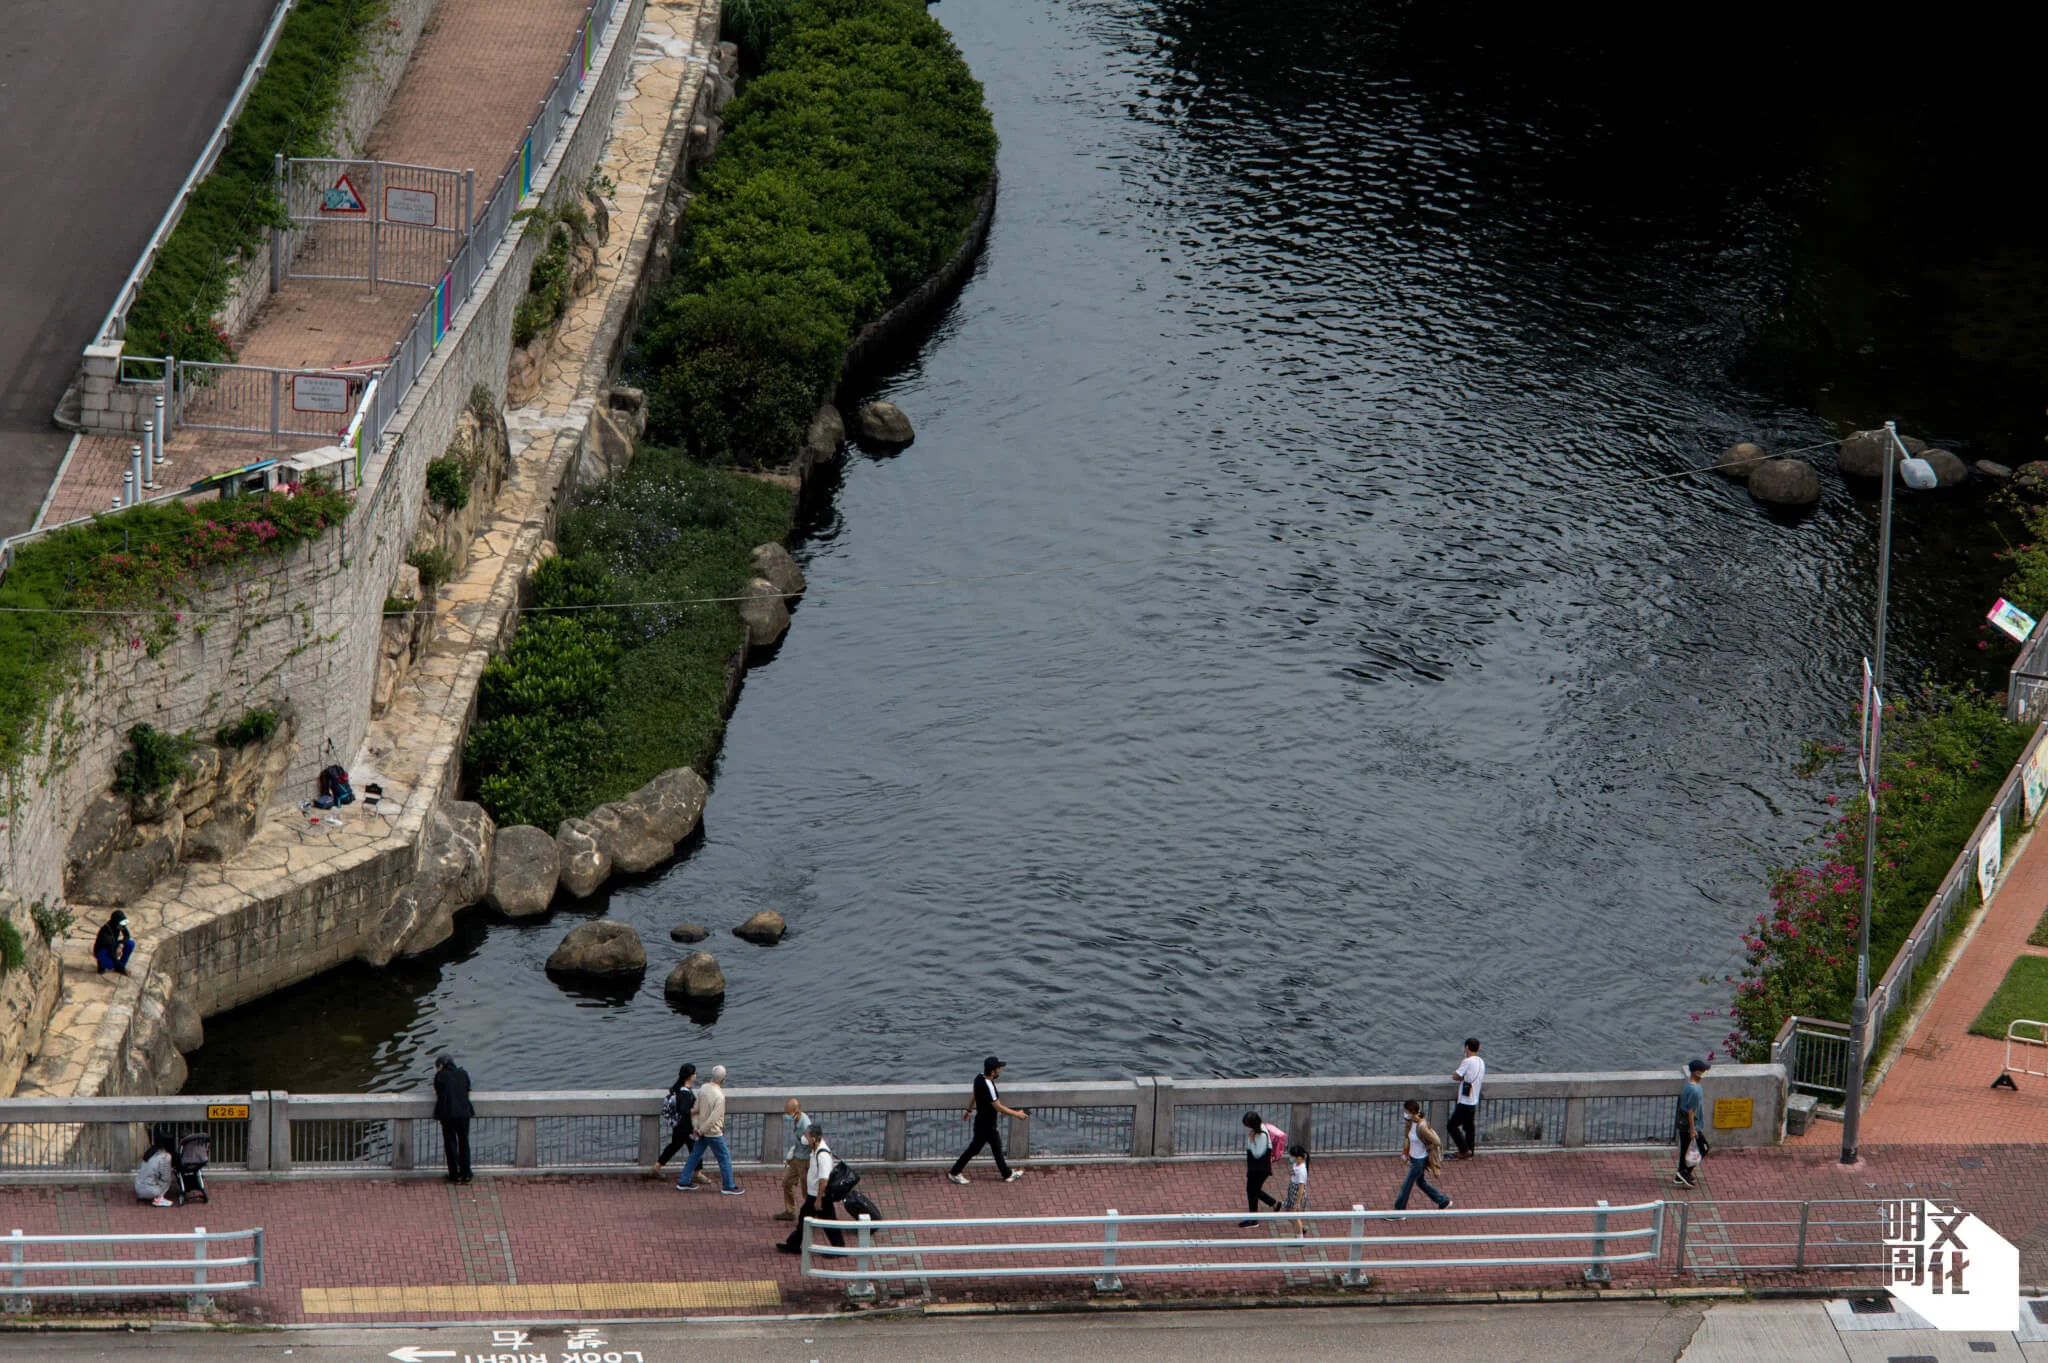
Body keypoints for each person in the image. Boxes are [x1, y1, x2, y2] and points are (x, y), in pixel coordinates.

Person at [948, 1055, 1028, 1184]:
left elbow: (974, 1094)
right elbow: (998, 1107)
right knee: (977, 1148)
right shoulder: (989, 1086)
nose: (1000, 1070)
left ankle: (1007, 1174)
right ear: (992, 1072)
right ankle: (954, 1172)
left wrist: (969, 1110)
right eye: (998, 1069)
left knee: (994, 1147)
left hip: (982, 1121)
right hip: (986, 1124)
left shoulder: (978, 1078)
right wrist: (1017, 1114)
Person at [777, 1123, 846, 1254]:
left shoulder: (822, 1155)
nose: (804, 1138)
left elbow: (824, 1180)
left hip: (819, 1196)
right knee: (805, 1219)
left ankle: (839, 1248)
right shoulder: (815, 1150)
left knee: (829, 1222)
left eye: (806, 1136)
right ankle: (793, 1244)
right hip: (813, 1194)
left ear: (813, 1139)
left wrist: (819, 1200)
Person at [676, 1064, 743, 1195]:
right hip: (713, 1133)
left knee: (695, 1155)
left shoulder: (704, 1088)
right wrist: (701, 1130)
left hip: (701, 1129)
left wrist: (697, 1128)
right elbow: (713, 1119)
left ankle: (684, 1181)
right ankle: (728, 1185)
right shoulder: (720, 1096)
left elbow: (696, 1109)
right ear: (723, 1079)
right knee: (724, 1158)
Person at [1394, 1099, 1452, 1212]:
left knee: (1407, 1185)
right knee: (1421, 1183)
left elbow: (1436, 1141)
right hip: (1414, 1158)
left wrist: (1428, 1149)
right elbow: (1408, 1139)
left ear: (1411, 1112)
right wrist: (1406, 1154)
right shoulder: (1410, 1123)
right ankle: (1443, 1201)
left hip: (1420, 1160)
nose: (1404, 1113)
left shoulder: (1422, 1127)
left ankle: (1399, 1210)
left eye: (1406, 1111)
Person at [433, 1054, 474, 1184]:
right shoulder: (463, 1073)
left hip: (448, 1113)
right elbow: (467, 1088)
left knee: (450, 1142)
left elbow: (438, 1091)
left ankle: (454, 1174)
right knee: (464, 1141)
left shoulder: (440, 1076)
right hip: (463, 1113)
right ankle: (466, 1173)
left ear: (441, 1066)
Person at [1238, 1110, 1282, 1227]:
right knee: (1253, 1191)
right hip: (1256, 1168)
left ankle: (1254, 1219)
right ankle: (1273, 1204)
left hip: (1259, 1169)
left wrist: (1251, 1141)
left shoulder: (1261, 1135)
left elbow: (1258, 1153)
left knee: (1252, 1191)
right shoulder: (1258, 1132)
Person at [654, 1063, 699, 1175]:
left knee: (674, 1146)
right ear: (690, 1076)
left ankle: (656, 1167)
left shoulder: (676, 1089)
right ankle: (697, 1173)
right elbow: (684, 1110)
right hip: (686, 1126)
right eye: (694, 1073)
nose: (695, 1075)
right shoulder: (685, 1092)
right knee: (695, 1149)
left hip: (678, 1125)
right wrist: (695, 1111)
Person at [776, 1097, 815, 1221]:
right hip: (796, 1158)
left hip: (804, 1161)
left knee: (806, 1191)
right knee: (786, 1183)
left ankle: (811, 1215)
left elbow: (812, 1143)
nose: (787, 1116)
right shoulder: (796, 1120)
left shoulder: (806, 1124)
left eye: (788, 1113)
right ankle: (790, 1211)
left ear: (796, 1112)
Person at [1673, 1058, 1709, 1188]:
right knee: (1703, 1148)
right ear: (1695, 1072)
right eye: (1702, 1070)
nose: (1705, 1072)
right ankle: (1685, 1173)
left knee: (1685, 1150)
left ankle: (1680, 1175)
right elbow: (1691, 1111)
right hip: (1690, 1125)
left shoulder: (1690, 1085)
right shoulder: (1694, 1091)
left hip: (1684, 1123)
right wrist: (1693, 1130)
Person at [1448, 1037, 1485, 1160]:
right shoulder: (1481, 1062)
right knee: (1469, 1128)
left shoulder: (1467, 1061)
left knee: (1452, 1126)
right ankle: (1471, 1150)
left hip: (1464, 1101)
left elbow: (1456, 1076)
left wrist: (1460, 1077)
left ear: (1467, 1047)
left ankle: (1464, 1150)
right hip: (1474, 1099)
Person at [1278, 1143, 1311, 1238]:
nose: (1291, 1158)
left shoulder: (1302, 1171)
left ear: (1299, 1158)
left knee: (1295, 1217)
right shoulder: (1296, 1164)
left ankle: (1300, 1237)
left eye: (1293, 1156)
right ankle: (1300, 1228)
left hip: (1297, 1194)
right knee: (1288, 1213)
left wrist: (1298, 1202)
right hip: (1292, 1191)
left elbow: (1301, 1188)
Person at [94, 910, 134, 975]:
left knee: (130, 943)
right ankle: (103, 964)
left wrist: (121, 945)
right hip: (103, 950)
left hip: (112, 945)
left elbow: (127, 935)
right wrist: (123, 969)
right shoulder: (106, 934)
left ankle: (120, 966)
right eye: (122, 925)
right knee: (111, 965)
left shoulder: (119, 926)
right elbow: (113, 955)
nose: (124, 927)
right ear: (116, 923)